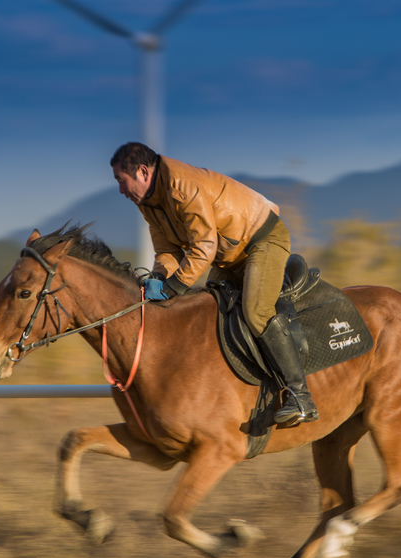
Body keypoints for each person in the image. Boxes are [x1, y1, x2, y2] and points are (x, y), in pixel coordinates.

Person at [110, 142, 318, 426]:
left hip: (262, 241)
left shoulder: (182, 186)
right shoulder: (149, 201)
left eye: (122, 181)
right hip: (227, 256)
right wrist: (158, 277)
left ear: (143, 172)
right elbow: (168, 252)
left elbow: (203, 247)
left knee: (256, 312)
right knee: (205, 314)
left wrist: (173, 287)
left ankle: (300, 397)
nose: (121, 191)